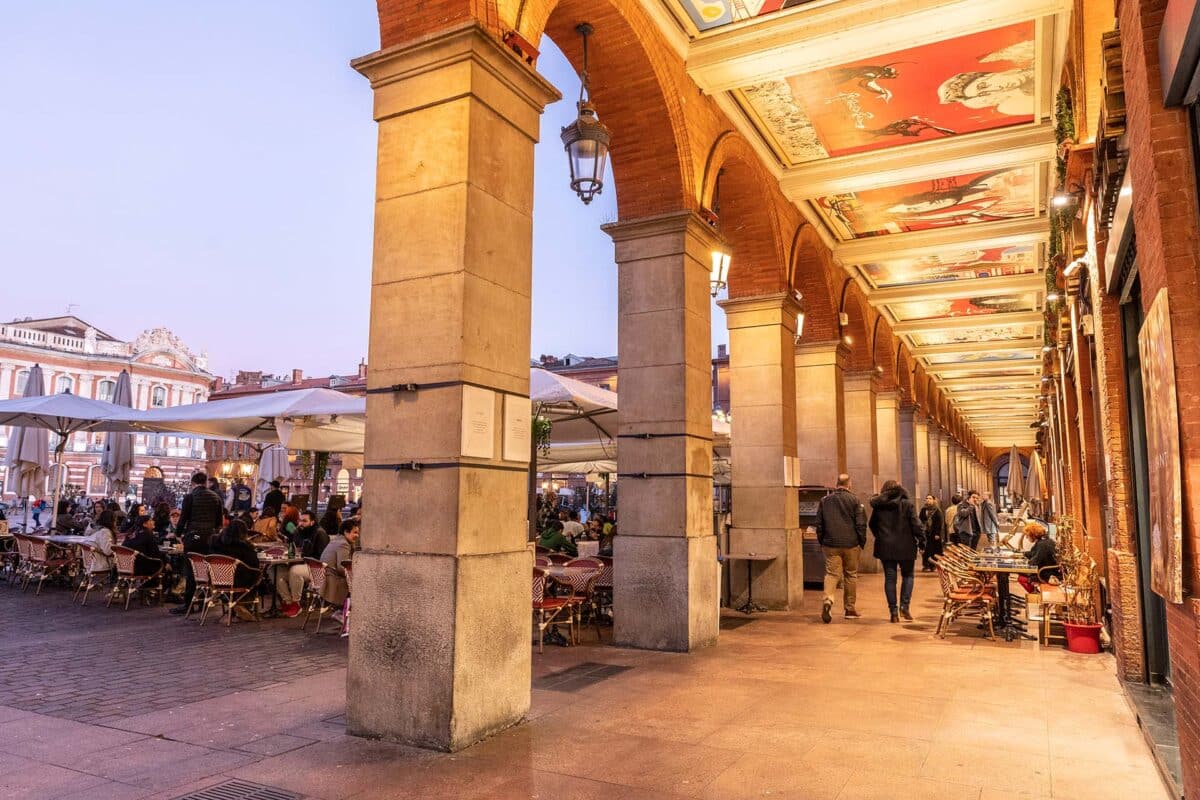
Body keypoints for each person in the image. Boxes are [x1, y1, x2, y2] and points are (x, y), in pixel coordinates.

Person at [170, 471, 226, 615]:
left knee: (191, 570)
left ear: (193, 483)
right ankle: (203, 602)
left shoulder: (190, 497)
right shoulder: (216, 497)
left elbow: (183, 518)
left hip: (193, 537)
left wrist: (178, 534)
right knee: (205, 571)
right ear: (206, 482)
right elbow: (220, 521)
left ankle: (189, 604)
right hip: (210, 538)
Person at [869, 480, 925, 622]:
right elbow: (916, 524)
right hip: (906, 546)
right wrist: (922, 541)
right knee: (908, 576)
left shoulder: (879, 506)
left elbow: (872, 524)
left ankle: (893, 612)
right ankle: (904, 607)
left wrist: (881, 536)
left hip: (886, 546)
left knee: (890, 578)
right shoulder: (907, 504)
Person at [815, 474, 867, 623]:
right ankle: (850, 609)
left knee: (831, 574)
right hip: (851, 544)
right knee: (850, 575)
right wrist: (861, 542)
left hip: (830, 544)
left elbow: (819, 523)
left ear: (836, 484)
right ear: (849, 484)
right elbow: (861, 524)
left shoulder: (825, 501)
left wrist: (822, 541)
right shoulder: (855, 500)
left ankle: (828, 600)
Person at [276, 510, 330, 618]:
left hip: (316, 567)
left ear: (312, 522)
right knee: (277, 570)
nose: (301, 523)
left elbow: (322, 558)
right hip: (300, 562)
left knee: (295, 571)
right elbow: (294, 548)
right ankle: (289, 602)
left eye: (304, 521)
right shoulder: (298, 532)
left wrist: (302, 554)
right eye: (300, 520)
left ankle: (296, 602)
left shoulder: (320, 533)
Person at [210, 519, 262, 620]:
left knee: (250, 575)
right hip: (237, 580)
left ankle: (231, 602)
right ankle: (241, 604)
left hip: (217, 579)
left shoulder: (215, 543)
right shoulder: (244, 546)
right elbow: (254, 564)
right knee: (257, 575)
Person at [321, 518, 360, 623]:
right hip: (332, 580)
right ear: (346, 532)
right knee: (359, 584)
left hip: (323, 578)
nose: (357, 535)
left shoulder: (337, 540)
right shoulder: (343, 544)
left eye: (358, 533)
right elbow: (341, 568)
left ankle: (340, 611)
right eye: (355, 532)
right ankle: (341, 612)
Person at [1018, 521, 1060, 593]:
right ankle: (1035, 593)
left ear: (1032, 534)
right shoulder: (1046, 541)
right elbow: (1033, 553)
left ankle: (1036, 594)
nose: (1026, 537)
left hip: (1047, 574)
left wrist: (1024, 562)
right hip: (1050, 570)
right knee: (1021, 574)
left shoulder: (1042, 545)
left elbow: (1035, 561)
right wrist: (1023, 554)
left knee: (1021, 578)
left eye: (1027, 535)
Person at [918, 494, 945, 571]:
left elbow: (939, 522)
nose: (928, 500)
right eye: (926, 498)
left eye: (930, 498)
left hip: (934, 533)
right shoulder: (923, 510)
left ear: (934, 500)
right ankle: (926, 565)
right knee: (925, 549)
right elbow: (920, 520)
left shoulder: (937, 510)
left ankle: (933, 565)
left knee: (934, 549)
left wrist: (937, 533)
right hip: (925, 533)